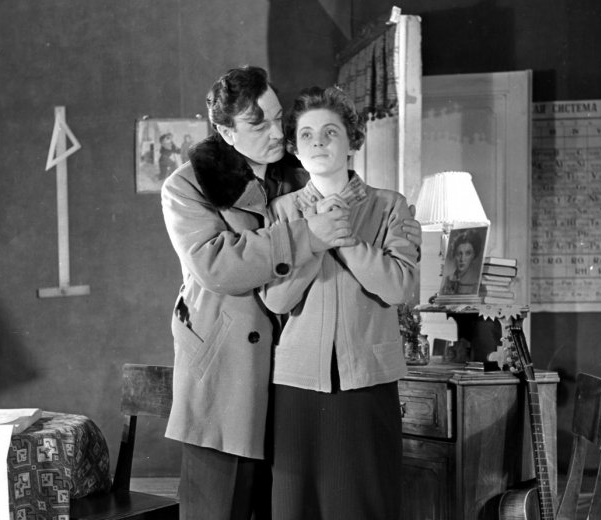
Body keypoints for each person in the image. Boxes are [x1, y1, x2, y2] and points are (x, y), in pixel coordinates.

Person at [161, 66, 422, 520]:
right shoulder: (188, 185)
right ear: (226, 132)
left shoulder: (301, 171)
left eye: (278, 118)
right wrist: (311, 235)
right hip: (231, 377)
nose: (276, 133)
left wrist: (387, 235)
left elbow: (380, 250)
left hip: (295, 381)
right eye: (257, 124)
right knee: (220, 509)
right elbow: (217, 267)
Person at [260, 85, 419, 520]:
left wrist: (342, 238)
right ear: (294, 148)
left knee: (364, 505)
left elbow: (398, 288)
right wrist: (314, 237)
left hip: (367, 382)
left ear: (352, 141)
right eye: (307, 135)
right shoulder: (281, 211)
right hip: (296, 385)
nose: (318, 143)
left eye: (330, 132)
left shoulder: (390, 206)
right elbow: (276, 299)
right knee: (297, 508)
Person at [440, 229, 482, 295]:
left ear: (474, 256)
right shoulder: (447, 280)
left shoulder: (477, 282)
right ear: (454, 255)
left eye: (468, 253)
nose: (462, 259)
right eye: (459, 253)